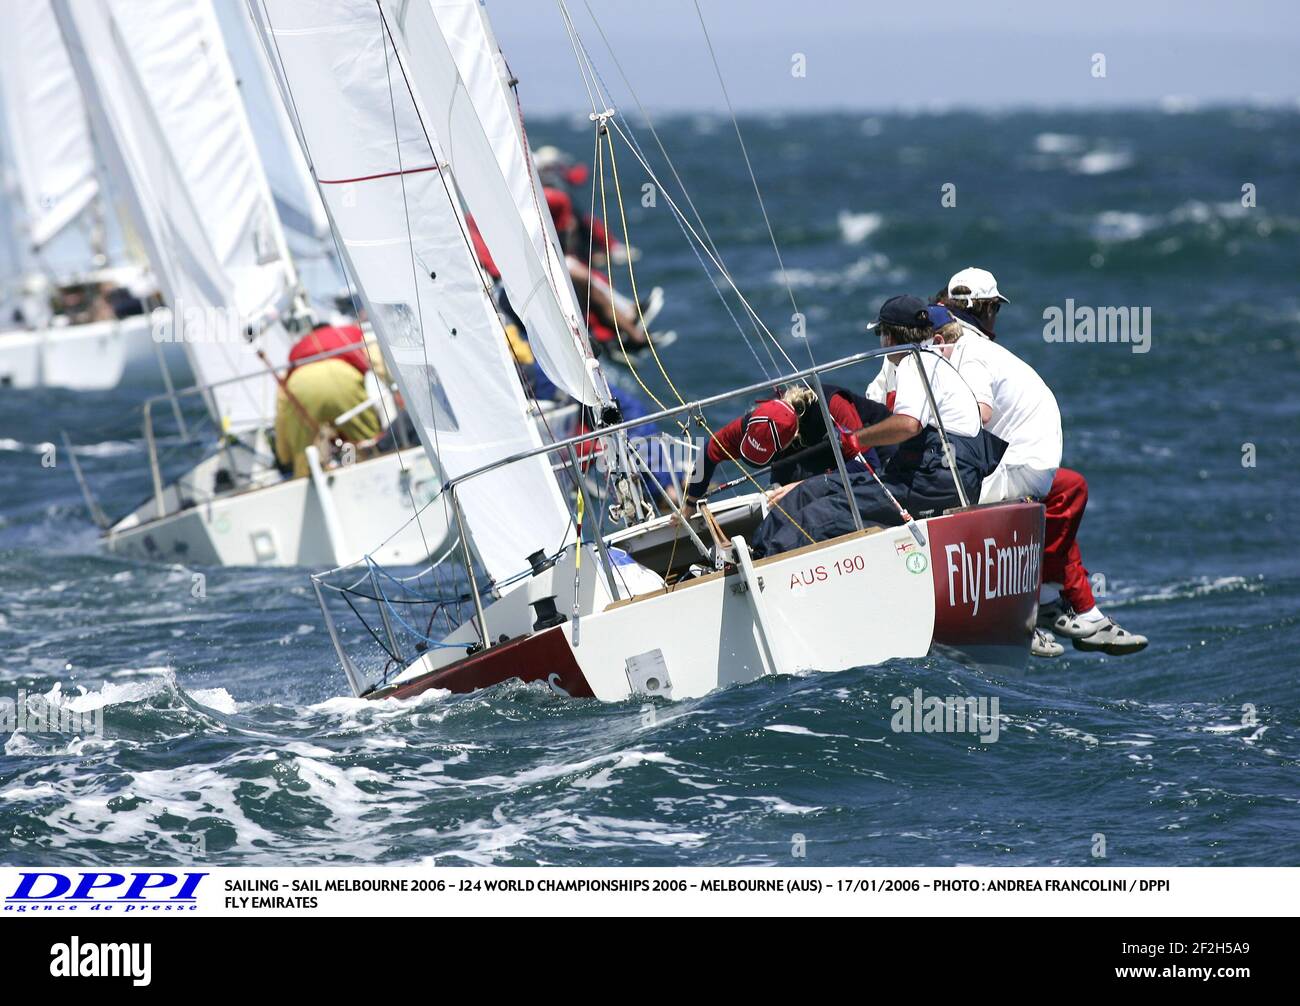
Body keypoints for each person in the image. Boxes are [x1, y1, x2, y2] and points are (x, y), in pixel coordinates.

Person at [935, 267, 1147, 655]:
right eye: (995, 309)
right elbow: (973, 415)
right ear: (985, 309)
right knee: (1061, 494)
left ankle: (1066, 606)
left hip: (1012, 466)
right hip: (996, 471)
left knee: (1065, 493)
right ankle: (1047, 605)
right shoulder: (969, 348)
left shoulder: (966, 343)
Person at [749, 296, 1005, 558]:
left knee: (819, 516)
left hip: (933, 483)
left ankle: (760, 562)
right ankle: (756, 550)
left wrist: (857, 439)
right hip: (937, 476)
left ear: (890, 338)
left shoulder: (912, 363)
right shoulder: (935, 361)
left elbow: (908, 424)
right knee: (810, 490)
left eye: (881, 334)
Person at [682, 384, 889, 507]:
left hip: (879, 455)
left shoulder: (833, 407)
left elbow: (869, 466)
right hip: (815, 461)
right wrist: (690, 503)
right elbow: (708, 452)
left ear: (793, 437)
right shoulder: (753, 422)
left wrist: (803, 487)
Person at [273, 322, 384, 478]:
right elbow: (380, 363)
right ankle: (374, 470)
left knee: (305, 458)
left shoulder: (298, 349)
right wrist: (398, 392)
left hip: (299, 385)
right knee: (366, 443)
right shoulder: (348, 333)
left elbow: (282, 407)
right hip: (342, 377)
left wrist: (284, 455)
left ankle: (307, 479)